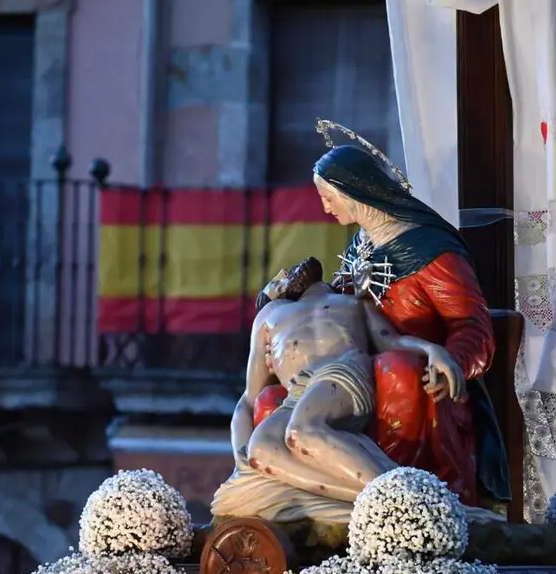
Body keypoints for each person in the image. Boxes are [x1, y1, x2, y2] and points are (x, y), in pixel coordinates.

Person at [311, 143, 509, 510]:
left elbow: (472, 325)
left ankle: (403, 504)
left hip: (419, 386)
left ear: (353, 191)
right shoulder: (361, 246)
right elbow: (341, 307)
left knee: (397, 370)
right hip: (361, 371)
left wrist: (453, 360)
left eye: (328, 197)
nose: (325, 207)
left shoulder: (430, 251)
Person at [211, 256, 467, 523]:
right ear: (273, 292)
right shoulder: (269, 316)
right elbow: (248, 401)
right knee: (261, 450)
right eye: (280, 277)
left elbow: (391, 341)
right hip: (299, 393)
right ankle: (377, 501)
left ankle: (401, 497)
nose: (289, 271)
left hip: (342, 373)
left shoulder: (353, 302)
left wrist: (433, 350)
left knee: (302, 431)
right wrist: (241, 460)